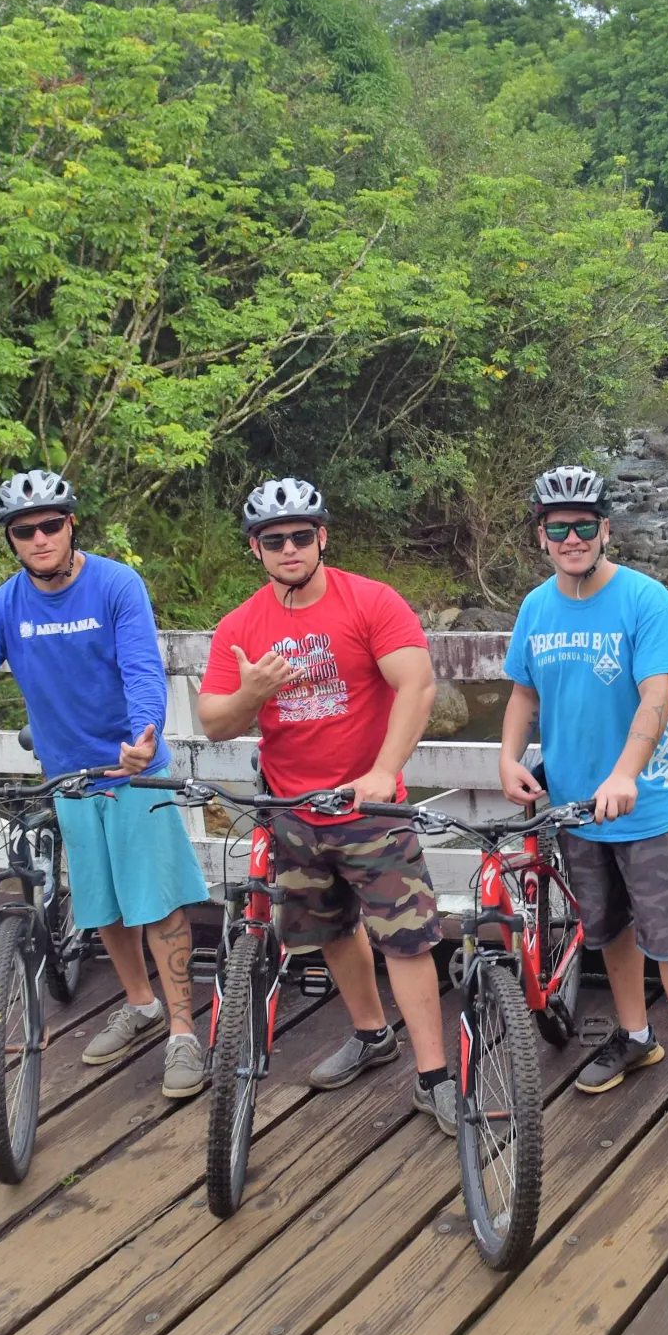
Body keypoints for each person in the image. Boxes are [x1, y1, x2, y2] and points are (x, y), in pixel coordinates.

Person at [0, 470, 212, 1099]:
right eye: (24, 530)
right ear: (10, 540)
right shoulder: (2, 607)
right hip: (67, 774)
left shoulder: (116, 584)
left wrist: (145, 736)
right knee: (99, 899)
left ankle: (186, 1033)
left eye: (50, 525)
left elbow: (142, 669)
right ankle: (141, 1005)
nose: (38, 538)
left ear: (70, 524)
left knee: (158, 899)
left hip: (133, 769)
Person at [196, 477, 457, 1136]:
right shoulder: (242, 625)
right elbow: (213, 723)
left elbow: (416, 684)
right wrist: (252, 693)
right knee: (331, 930)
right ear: (256, 549)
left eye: (301, 536)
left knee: (406, 939)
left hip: (370, 811)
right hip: (292, 810)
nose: (289, 548)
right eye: (273, 540)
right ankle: (372, 1036)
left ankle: (436, 1078)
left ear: (322, 538)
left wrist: (384, 772)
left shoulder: (369, 601)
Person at [498, 466, 668, 1141]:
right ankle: (633, 1034)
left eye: (585, 525)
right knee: (608, 931)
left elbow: (658, 696)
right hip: (573, 808)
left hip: (643, 803)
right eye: (559, 527)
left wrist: (624, 773)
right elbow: (523, 695)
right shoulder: (537, 607)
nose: (573, 538)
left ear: (606, 530)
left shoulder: (644, 599)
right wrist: (508, 757)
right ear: (542, 536)